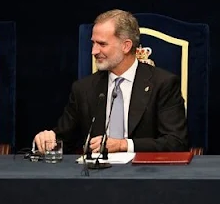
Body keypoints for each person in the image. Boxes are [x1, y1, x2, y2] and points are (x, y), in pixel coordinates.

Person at [34, 9, 189, 154]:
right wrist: (48, 139)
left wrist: (123, 145)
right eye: (93, 43)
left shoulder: (163, 84)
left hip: (145, 174)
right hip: (94, 178)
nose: (94, 51)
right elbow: (64, 139)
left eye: (102, 44)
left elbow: (176, 142)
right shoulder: (84, 88)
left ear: (126, 46)